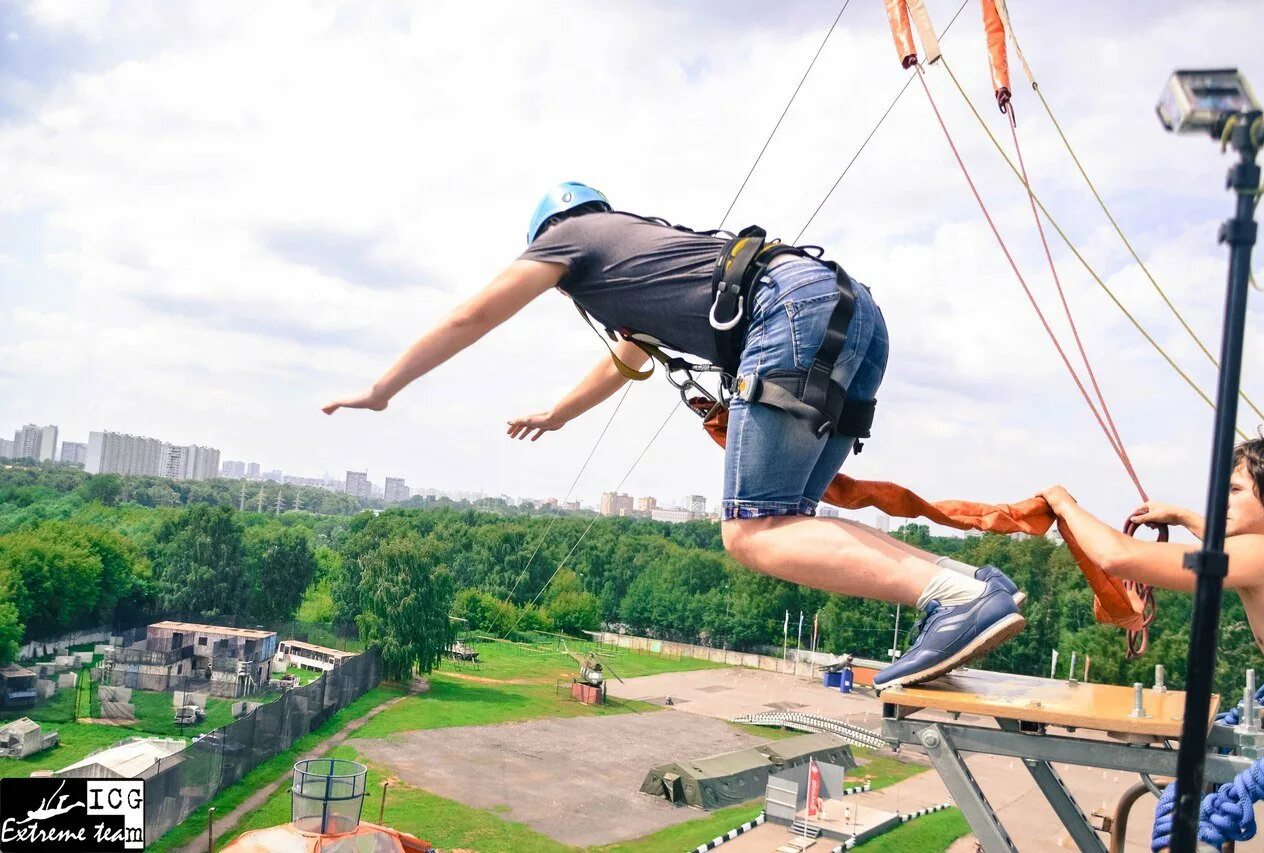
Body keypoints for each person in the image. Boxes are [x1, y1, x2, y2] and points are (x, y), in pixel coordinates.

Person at [323, 181, 1025, 689]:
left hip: (788, 311)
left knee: (751, 532)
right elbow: (623, 361)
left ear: (550, 234)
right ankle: (971, 586)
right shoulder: (638, 256)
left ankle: (954, 599)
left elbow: (472, 315)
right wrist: (557, 415)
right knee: (788, 523)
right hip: (852, 311)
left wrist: (384, 389)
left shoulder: (568, 239)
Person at [1040, 433, 1264, 666]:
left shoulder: (1260, 552)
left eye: (1235, 490)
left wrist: (1064, 505)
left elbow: (1117, 556)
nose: (1224, 501)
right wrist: (1181, 516)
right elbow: (1221, 541)